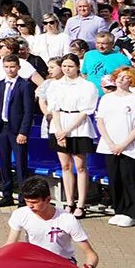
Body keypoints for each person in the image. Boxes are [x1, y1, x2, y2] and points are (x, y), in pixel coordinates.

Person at [3, 175, 98, 268]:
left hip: (62, 265)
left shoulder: (67, 219)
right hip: (35, 264)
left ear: (48, 200)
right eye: (27, 202)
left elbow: (91, 254)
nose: (30, 206)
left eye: (34, 202)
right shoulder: (20, 214)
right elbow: (10, 244)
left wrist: (89, 267)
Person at [47, 53, 98, 219]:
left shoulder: (87, 85)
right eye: (64, 66)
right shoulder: (55, 85)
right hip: (59, 124)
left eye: (70, 66)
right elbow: (54, 108)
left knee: (81, 167)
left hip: (79, 127)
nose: (67, 69)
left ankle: (81, 203)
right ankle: (69, 201)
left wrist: (67, 129)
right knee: (65, 166)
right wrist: (60, 130)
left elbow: (85, 111)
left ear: (77, 67)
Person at [97, 66, 135, 226]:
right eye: (119, 76)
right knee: (114, 178)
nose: (120, 79)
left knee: (128, 178)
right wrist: (110, 143)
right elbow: (101, 122)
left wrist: (123, 144)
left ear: (131, 81)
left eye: (125, 77)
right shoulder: (106, 99)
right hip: (109, 145)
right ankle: (119, 209)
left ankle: (131, 213)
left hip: (128, 147)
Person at [0, 53, 37, 207]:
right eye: (7, 67)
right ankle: (6, 194)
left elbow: (29, 111)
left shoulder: (25, 85)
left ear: (18, 68)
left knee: (21, 164)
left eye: (12, 67)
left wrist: (23, 132)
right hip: (2, 128)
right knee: (4, 162)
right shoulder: (0, 84)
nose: (10, 70)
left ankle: (23, 198)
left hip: (16, 130)